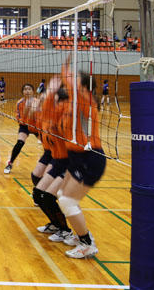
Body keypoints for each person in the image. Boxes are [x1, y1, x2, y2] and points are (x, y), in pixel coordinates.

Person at [56, 65, 106, 259]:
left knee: (67, 201)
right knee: (62, 195)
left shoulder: (86, 100)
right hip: (76, 157)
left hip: (90, 158)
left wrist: (66, 69)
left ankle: (87, 243)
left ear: (84, 87)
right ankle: (81, 235)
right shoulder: (72, 103)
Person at [33, 78, 73, 243]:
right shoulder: (46, 118)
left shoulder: (66, 118)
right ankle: (55, 225)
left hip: (69, 162)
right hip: (57, 160)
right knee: (38, 194)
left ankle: (66, 231)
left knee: (49, 196)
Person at [4, 83, 40, 174]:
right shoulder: (19, 103)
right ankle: (10, 163)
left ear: (33, 91)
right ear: (22, 92)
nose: (27, 91)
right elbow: (18, 117)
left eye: (29, 89)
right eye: (25, 89)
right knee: (20, 142)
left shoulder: (38, 102)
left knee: (48, 146)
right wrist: (23, 121)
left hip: (36, 126)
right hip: (25, 126)